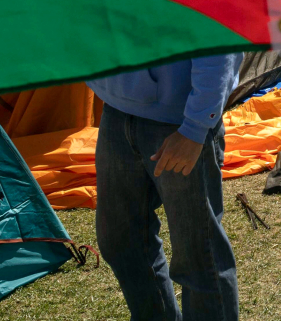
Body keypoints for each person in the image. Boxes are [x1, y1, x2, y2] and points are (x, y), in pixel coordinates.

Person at [89, 52, 243, 321]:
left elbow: (217, 39)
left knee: (199, 254)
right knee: (121, 240)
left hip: (180, 121)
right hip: (116, 110)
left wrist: (195, 129)